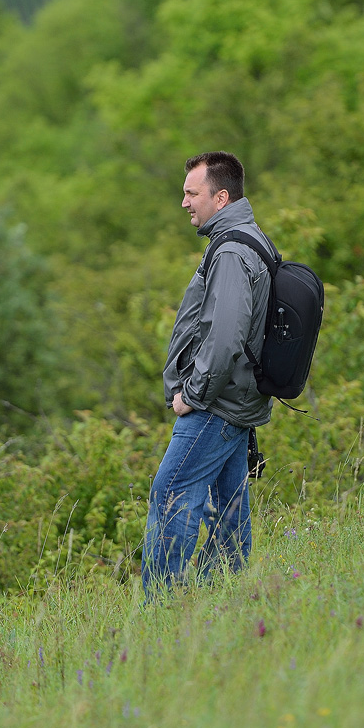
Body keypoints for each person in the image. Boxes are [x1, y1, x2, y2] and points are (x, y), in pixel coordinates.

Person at [142, 151, 273, 599]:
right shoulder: (243, 239)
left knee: (171, 494)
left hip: (216, 405)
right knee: (228, 510)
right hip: (236, 402)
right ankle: (226, 601)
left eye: (190, 193)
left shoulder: (233, 250)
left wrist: (192, 394)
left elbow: (226, 336)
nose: (184, 203)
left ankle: (159, 613)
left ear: (220, 197)